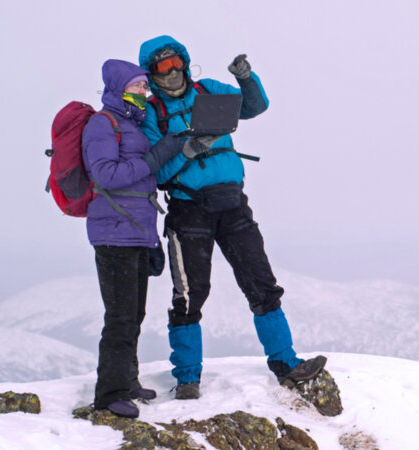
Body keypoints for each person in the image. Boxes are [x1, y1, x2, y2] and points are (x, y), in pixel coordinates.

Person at [137, 35, 328, 400]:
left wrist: (245, 78)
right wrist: (188, 151)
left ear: (185, 62)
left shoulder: (209, 90)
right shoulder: (152, 114)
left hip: (233, 204)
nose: (172, 71)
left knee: (261, 283)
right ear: (152, 72)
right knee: (190, 295)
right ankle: (188, 379)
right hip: (188, 210)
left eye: (177, 62)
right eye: (163, 66)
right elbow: (156, 173)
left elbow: (254, 107)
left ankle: (285, 363)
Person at [82, 59, 188, 417]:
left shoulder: (132, 124)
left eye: (145, 85)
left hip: (135, 231)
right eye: (137, 85)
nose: (145, 90)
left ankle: (126, 380)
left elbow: (142, 187)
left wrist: (151, 240)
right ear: (118, 88)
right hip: (113, 233)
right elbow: (106, 175)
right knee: (120, 316)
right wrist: (156, 157)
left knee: (134, 313)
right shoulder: (102, 124)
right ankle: (109, 394)